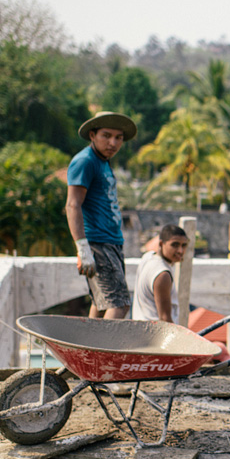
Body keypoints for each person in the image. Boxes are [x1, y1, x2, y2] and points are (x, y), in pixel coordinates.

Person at [66, 111, 137, 319]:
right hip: (97, 242)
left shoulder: (103, 162)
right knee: (119, 304)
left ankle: (89, 351)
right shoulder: (85, 161)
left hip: (112, 242)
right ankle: (105, 352)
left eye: (119, 138)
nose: (113, 143)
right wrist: (83, 247)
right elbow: (72, 205)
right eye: (106, 135)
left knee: (103, 303)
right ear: (92, 135)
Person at [132, 225, 189, 323]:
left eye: (184, 245)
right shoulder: (162, 274)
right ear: (161, 244)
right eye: (175, 245)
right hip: (154, 334)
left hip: (141, 328)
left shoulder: (148, 257)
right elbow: (164, 319)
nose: (180, 251)